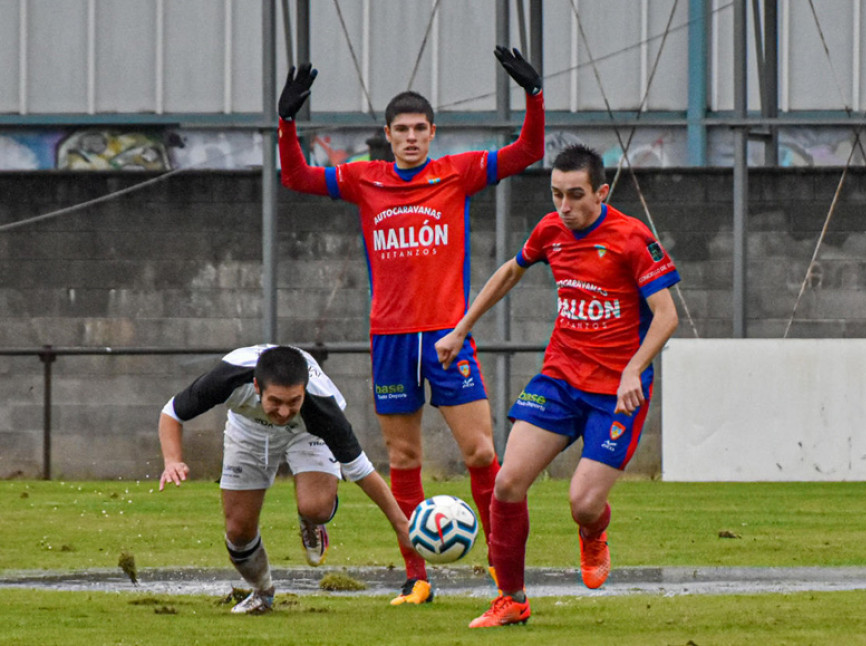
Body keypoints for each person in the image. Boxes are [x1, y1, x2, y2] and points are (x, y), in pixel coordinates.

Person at [276, 47, 545, 605]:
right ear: (388, 133)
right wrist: (286, 123)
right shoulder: (363, 179)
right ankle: (417, 575)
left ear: (432, 132)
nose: (412, 137)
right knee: (403, 459)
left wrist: (534, 97)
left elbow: (529, 151)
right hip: (392, 341)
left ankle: (501, 567)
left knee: (479, 452)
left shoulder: (456, 173)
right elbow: (297, 177)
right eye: (402, 129)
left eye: (421, 128)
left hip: (448, 337)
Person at [435, 144, 680, 628]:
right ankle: (511, 599)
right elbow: (510, 272)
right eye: (556, 195)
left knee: (583, 503)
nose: (564, 207)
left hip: (616, 392)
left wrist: (634, 367)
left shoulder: (632, 239)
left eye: (574, 195)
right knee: (506, 483)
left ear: (601, 193)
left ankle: (594, 531)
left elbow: (667, 316)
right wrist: (462, 327)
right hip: (561, 378)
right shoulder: (551, 230)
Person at [157, 344, 413, 615]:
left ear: (304, 390)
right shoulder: (228, 378)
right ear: (256, 386)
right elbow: (172, 412)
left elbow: (362, 471)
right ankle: (262, 592)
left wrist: (400, 526)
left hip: (306, 432)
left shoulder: (321, 407)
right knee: (238, 531)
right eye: (275, 401)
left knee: (316, 508)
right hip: (248, 430)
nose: (282, 412)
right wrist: (172, 460)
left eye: (293, 401)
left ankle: (311, 520)